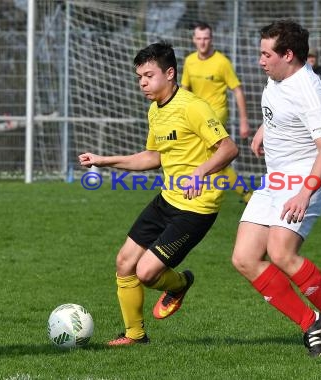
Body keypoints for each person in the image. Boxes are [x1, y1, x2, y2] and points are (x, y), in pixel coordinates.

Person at [79, 41, 238, 346]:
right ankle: (135, 335)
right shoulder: (155, 111)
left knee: (147, 273)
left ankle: (179, 284)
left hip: (196, 207)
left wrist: (200, 172)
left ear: (170, 73)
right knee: (124, 262)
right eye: (139, 77)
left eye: (149, 75)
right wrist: (104, 160)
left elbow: (229, 149)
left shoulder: (193, 107)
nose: (143, 83)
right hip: (167, 199)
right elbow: (153, 157)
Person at [231, 20, 321, 358]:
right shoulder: (278, 77)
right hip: (274, 179)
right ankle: (310, 321)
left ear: (288, 55)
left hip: (304, 179)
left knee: (281, 253)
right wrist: (264, 129)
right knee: (244, 258)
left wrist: (304, 193)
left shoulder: (309, 89)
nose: (260, 60)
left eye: (266, 54)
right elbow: (281, 111)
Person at [181, 21, 252, 203]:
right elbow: (185, 89)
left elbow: (237, 89)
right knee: (213, 158)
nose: (202, 42)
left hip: (216, 115)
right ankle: (242, 193)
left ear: (211, 39)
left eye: (206, 38)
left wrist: (244, 120)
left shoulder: (222, 62)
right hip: (196, 115)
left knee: (214, 156)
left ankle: (246, 194)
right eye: (199, 39)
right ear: (194, 40)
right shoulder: (189, 61)